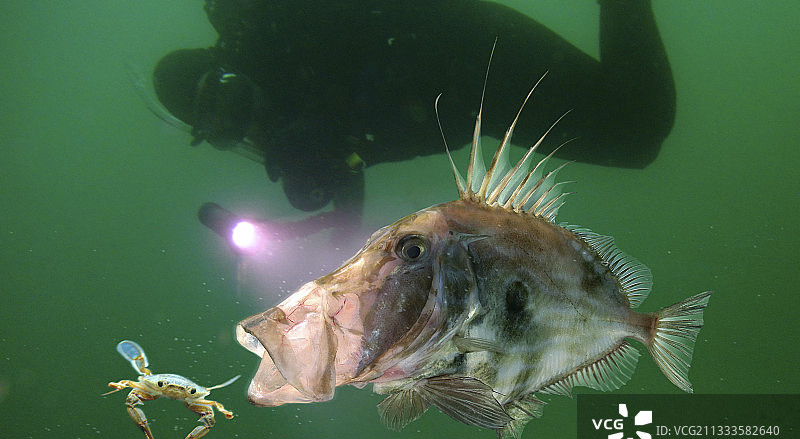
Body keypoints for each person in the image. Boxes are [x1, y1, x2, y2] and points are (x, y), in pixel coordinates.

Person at [153, 0, 675, 236]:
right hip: (472, 100)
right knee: (635, 141)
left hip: (468, 46)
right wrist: (339, 197)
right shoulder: (288, 120)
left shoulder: (279, 29)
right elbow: (353, 153)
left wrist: (339, 133)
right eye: (225, 129)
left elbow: (378, 40)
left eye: (230, 99)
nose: (245, 122)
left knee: (637, 129)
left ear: (227, 68)